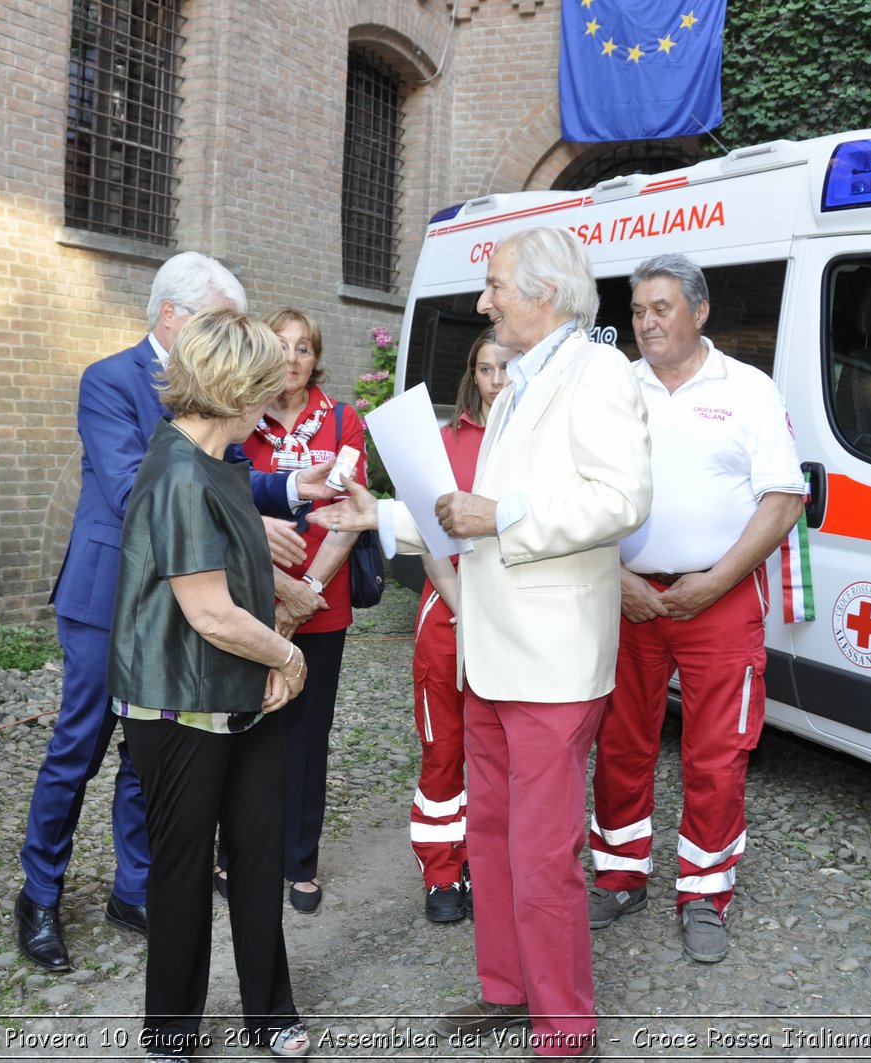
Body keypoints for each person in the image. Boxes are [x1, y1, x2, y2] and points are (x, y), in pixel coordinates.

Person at [310, 226, 650, 1060]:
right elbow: (468, 518)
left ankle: (567, 1032)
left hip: (553, 662)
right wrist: (379, 516)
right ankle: (508, 988)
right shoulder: (516, 385)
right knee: (493, 837)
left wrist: (504, 516)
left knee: (542, 855)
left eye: (494, 284)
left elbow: (625, 500)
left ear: (545, 293)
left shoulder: (598, 371)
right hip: (490, 651)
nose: (482, 301)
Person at [15, 252, 327, 970]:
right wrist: (251, 533)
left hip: (187, 596)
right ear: (170, 315)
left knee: (149, 755)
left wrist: (288, 489)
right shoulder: (109, 380)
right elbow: (136, 491)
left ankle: (137, 885)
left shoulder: (215, 382)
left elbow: (227, 471)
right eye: (219, 319)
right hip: (109, 596)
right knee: (81, 747)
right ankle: (39, 892)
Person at [586, 254, 804, 964]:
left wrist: (715, 580)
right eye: (638, 309)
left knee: (718, 751)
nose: (646, 322)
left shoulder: (748, 390)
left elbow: (782, 499)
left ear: (700, 312)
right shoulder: (613, 386)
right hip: (629, 594)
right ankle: (620, 875)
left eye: (661, 308)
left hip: (720, 598)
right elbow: (581, 489)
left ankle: (705, 890)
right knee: (621, 742)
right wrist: (615, 575)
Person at [109, 307, 309, 1062]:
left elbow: (233, 572)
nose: (270, 398)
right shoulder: (181, 474)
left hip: (235, 694)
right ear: (235, 388)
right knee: (184, 868)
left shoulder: (213, 459)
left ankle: (271, 1012)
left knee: (259, 855)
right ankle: (170, 1034)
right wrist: (287, 658)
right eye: (264, 384)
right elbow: (209, 612)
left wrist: (285, 594)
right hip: (180, 701)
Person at [233, 307, 364, 915]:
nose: (291, 357)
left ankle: (300, 861)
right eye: (281, 345)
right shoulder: (239, 420)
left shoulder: (340, 421)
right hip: (248, 601)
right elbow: (229, 510)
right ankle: (239, 854)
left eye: (304, 348)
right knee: (246, 728)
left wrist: (306, 587)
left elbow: (348, 517)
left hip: (321, 603)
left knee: (308, 734)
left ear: (316, 358)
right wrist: (279, 592)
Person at [409, 328, 511, 923]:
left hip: (514, 618)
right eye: (486, 369)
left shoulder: (536, 441)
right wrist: (463, 603)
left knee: (499, 751)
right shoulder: (445, 443)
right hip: (449, 612)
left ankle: (489, 860)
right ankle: (443, 869)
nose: (497, 381)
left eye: (506, 369)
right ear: (472, 376)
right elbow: (426, 534)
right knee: (443, 748)